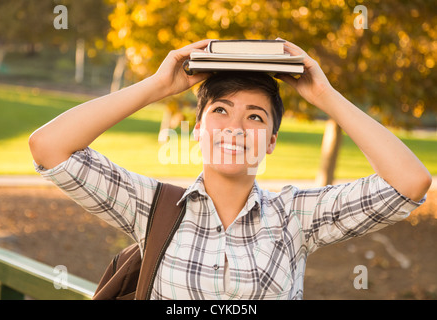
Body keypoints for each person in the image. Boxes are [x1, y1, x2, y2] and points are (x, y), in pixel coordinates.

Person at [29, 39, 431, 299]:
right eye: (220, 110)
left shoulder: (295, 217)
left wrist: (325, 96)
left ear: (271, 140)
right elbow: (49, 147)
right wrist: (157, 87)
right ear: (199, 129)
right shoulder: (150, 207)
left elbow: (409, 183)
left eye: (255, 117)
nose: (236, 128)